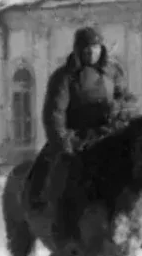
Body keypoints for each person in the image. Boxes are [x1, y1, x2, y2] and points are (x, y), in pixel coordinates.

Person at [28, 26, 134, 211]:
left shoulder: (112, 72)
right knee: (49, 174)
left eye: (96, 47)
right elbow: (54, 114)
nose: (92, 52)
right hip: (77, 139)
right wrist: (64, 144)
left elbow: (126, 99)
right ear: (78, 51)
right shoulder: (64, 78)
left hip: (108, 136)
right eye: (87, 49)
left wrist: (120, 111)